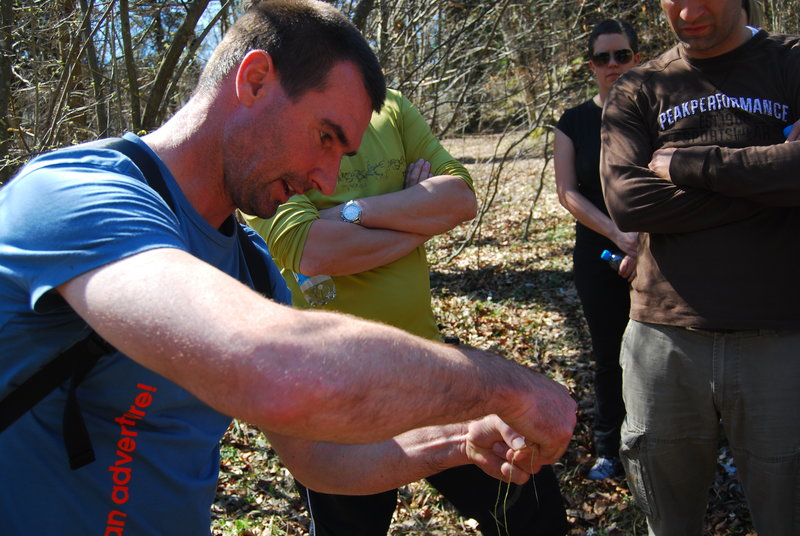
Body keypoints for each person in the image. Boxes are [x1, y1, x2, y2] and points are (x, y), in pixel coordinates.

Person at [0, 1, 578, 534]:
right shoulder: (78, 195)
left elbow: (320, 457)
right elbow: (271, 367)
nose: (327, 181)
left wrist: (461, 438)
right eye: (325, 137)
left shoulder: (249, 267)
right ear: (254, 80)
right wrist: (502, 386)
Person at [245, 88, 569, 536]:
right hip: (334, 385)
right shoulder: (270, 135)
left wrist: (355, 212)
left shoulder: (388, 106)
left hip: (426, 362)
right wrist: (416, 212)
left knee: (532, 509)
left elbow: (459, 198)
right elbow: (312, 249)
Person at [600, 0, 800, 534]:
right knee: (669, 522)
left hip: (779, 335)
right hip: (663, 341)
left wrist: (691, 166)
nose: (688, 10)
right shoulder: (638, 87)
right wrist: (771, 184)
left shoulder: (791, 63)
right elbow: (627, 201)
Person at [553, 19, 640, 481]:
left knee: (663, 353)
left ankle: (668, 445)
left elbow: (672, 179)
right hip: (597, 252)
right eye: (603, 58)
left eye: (622, 55)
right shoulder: (574, 122)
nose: (613, 66)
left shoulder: (656, 112)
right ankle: (612, 446)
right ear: (591, 65)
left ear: (637, 59)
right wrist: (616, 235)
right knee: (610, 352)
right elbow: (568, 192)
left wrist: (642, 242)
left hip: (656, 250)